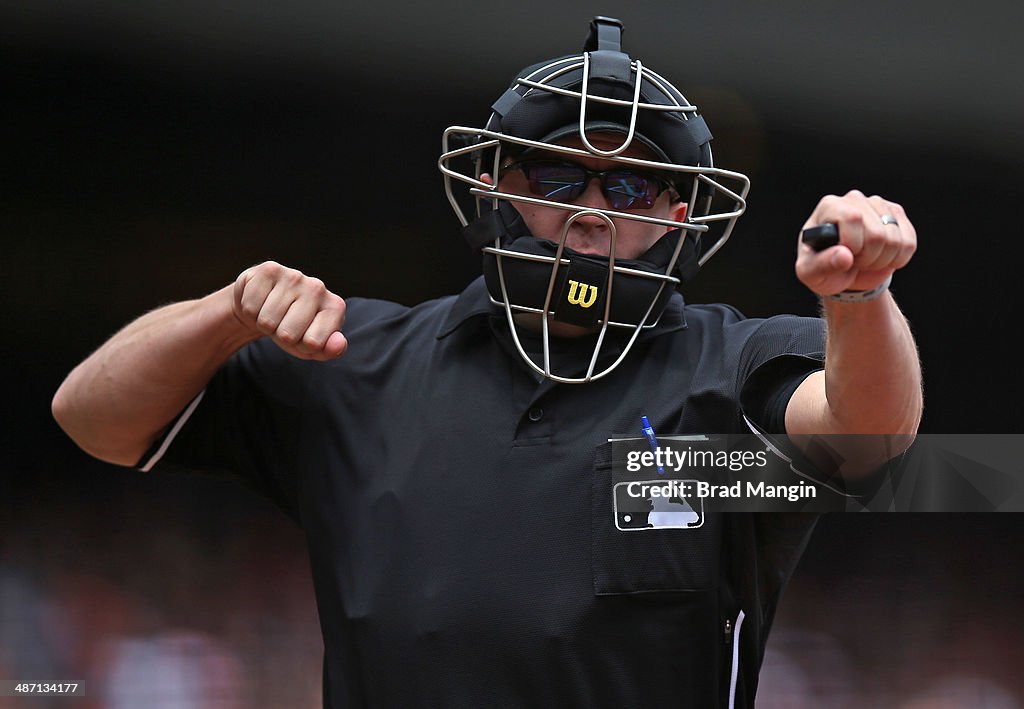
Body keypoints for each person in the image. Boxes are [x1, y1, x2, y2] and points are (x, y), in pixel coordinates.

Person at [51, 16, 922, 708]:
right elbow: (92, 419)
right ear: (496, 184)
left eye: (628, 188)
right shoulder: (356, 357)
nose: (589, 212)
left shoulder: (731, 366)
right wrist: (225, 311)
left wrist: (860, 296)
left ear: (676, 217)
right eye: (553, 176)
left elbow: (869, 433)